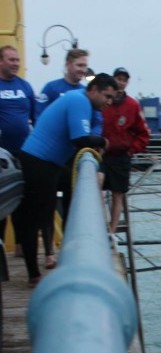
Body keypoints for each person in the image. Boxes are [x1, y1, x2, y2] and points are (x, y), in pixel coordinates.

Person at [16, 73, 117, 287]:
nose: (109, 102)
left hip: (47, 163)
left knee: (39, 215)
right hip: (38, 162)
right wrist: (103, 141)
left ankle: (37, 269)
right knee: (32, 219)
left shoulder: (80, 99)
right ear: (94, 90)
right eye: (107, 96)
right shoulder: (79, 100)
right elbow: (80, 139)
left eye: (112, 98)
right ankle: (33, 274)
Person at [36, 49, 96, 265]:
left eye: (84, 66)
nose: (82, 70)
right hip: (52, 158)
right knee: (48, 203)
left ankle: (70, 252)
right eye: (79, 65)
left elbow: (94, 122)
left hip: (73, 159)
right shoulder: (51, 89)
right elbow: (39, 117)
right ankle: (49, 252)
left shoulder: (86, 93)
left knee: (73, 203)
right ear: (68, 64)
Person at [102, 67, 149, 234]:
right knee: (96, 188)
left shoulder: (132, 105)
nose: (121, 82)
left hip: (121, 155)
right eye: (118, 78)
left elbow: (143, 133)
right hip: (101, 154)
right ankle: (101, 224)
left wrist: (132, 150)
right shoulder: (103, 101)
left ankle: (112, 231)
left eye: (124, 79)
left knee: (118, 194)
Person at [0, 45, 35, 245]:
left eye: (17, 60)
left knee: (22, 201)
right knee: (1, 204)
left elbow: (34, 118)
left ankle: (22, 245)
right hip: (1, 157)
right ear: (0, 61)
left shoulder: (25, 87)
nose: (16, 64)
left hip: (23, 153)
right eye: (11, 60)